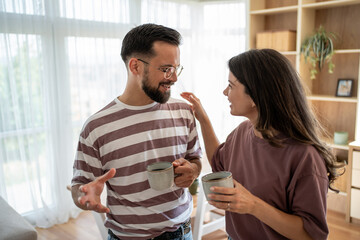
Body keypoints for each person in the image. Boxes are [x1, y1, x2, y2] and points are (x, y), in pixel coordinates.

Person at [181, 49, 345, 240]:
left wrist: (253, 205)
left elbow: (311, 235)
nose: (225, 92)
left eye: (231, 86)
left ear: (255, 96)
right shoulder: (243, 132)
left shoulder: (304, 156)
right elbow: (219, 162)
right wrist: (203, 120)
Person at [71, 23, 202, 240]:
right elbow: (79, 186)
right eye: (166, 69)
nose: (174, 78)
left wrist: (193, 171)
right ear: (135, 66)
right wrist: (83, 195)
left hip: (182, 232)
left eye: (176, 68)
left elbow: (195, 159)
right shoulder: (96, 127)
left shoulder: (183, 112)